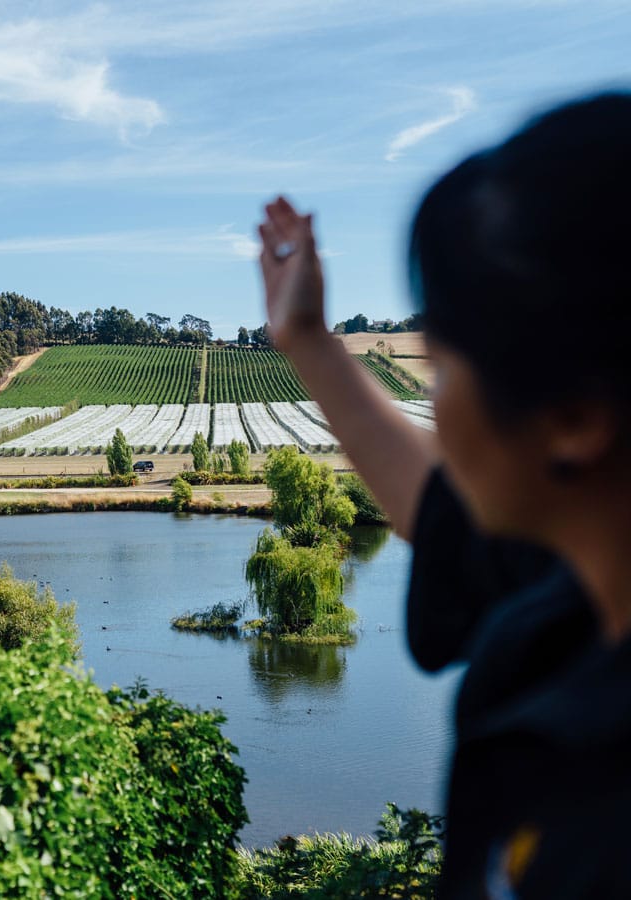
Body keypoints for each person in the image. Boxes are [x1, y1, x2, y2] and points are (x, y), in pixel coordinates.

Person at [257, 91, 631, 899]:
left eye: (443, 365)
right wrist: (309, 343)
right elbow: (437, 506)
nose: (435, 398)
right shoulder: (580, 592)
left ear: (573, 418)